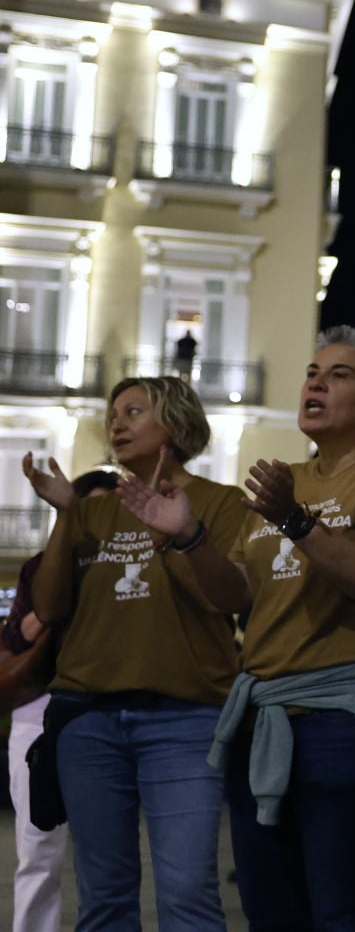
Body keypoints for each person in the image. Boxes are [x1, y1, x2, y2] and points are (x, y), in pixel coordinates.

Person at [172, 326, 355, 932]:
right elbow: (233, 596)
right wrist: (187, 536)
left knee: (342, 910)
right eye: (312, 373)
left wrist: (293, 518)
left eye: (338, 375)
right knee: (269, 911)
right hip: (263, 719)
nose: (315, 383)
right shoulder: (277, 479)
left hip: (343, 720)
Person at [21, 379, 250, 932]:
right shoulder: (91, 513)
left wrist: (184, 533)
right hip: (88, 721)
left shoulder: (220, 503)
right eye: (113, 414)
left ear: (173, 423)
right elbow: (50, 609)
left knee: (188, 896)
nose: (116, 424)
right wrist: (63, 516)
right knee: (103, 900)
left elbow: (230, 598)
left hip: (186, 721)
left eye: (133, 411)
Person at [2, 467, 105, 932]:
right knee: (38, 846)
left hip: (103, 708)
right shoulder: (40, 564)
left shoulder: (133, 566)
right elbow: (20, 634)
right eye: (89, 508)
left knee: (105, 851)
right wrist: (59, 593)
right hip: (40, 709)